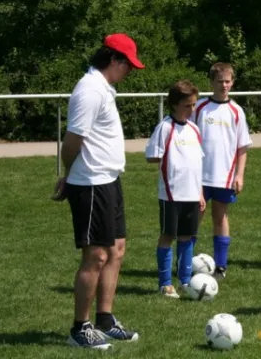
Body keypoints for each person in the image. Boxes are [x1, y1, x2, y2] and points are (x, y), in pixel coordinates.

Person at [51, 33, 144, 349]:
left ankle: (105, 320)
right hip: (90, 184)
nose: (129, 71)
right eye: (128, 65)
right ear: (114, 60)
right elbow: (73, 140)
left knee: (116, 249)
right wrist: (69, 175)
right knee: (97, 254)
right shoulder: (89, 91)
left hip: (108, 180)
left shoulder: (104, 89)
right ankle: (80, 328)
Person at [145, 80, 206, 299]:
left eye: (194, 105)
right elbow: (152, 155)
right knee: (168, 235)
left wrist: (199, 192)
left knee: (187, 237)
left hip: (191, 193)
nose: (192, 109)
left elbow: (197, 163)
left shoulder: (195, 129)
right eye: (188, 105)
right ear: (175, 104)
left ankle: (186, 281)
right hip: (171, 194)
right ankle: (165, 283)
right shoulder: (165, 127)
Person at [192, 62, 252, 279]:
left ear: (232, 82)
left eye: (227, 81)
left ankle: (221, 266)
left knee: (220, 217)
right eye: (220, 81)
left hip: (224, 175)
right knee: (194, 217)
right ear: (211, 82)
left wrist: (239, 174)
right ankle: (184, 264)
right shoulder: (198, 107)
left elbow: (242, 146)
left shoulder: (236, 111)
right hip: (199, 176)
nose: (224, 85)